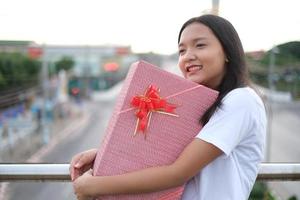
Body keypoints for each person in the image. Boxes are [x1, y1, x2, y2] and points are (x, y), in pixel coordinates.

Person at [69, 14, 267, 200]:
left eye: (200, 45)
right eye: (182, 50)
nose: (188, 56)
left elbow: (177, 172)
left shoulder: (241, 100)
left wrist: (93, 186)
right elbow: (157, 156)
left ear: (227, 52)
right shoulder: (202, 105)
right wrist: (105, 155)